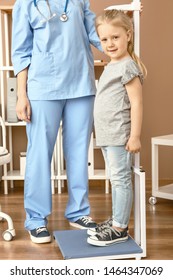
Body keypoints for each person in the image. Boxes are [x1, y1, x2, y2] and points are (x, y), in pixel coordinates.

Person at [11, 0, 103, 244]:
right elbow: (20, 52)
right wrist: (22, 95)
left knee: (78, 152)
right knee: (39, 153)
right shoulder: (26, 4)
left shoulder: (78, 1)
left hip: (81, 83)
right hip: (43, 87)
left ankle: (79, 211)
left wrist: (127, 30)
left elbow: (96, 33)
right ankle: (36, 218)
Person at [87, 9, 147, 246]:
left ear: (128, 36)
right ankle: (117, 220)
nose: (110, 43)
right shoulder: (112, 64)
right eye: (104, 39)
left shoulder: (128, 66)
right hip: (107, 134)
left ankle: (120, 228)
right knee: (115, 178)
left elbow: (137, 103)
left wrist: (135, 136)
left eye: (115, 37)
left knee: (121, 179)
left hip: (120, 135)